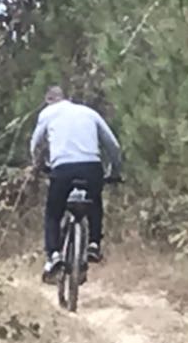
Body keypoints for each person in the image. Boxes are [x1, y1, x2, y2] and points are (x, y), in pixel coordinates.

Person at [28, 85, 122, 281]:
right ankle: (94, 244)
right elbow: (113, 145)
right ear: (66, 98)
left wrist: (40, 165)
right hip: (91, 167)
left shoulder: (48, 113)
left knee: (53, 213)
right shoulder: (89, 113)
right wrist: (115, 171)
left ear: (48, 100)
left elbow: (35, 144)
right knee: (94, 201)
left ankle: (53, 255)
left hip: (62, 169)